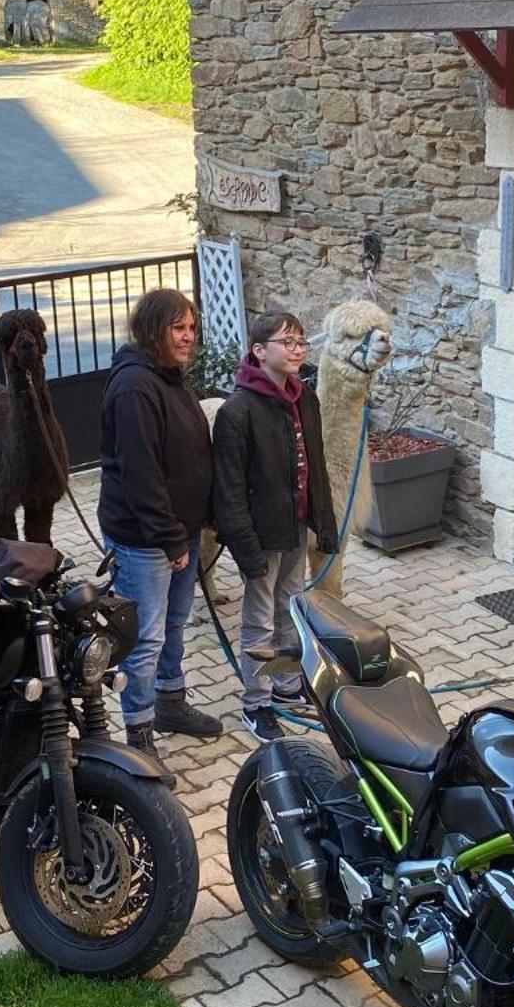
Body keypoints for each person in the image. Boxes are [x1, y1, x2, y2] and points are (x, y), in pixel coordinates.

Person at [99, 288, 224, 758]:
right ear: (153, 330)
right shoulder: (135, 387)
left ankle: (170, 702)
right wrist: (171, 537)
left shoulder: (170, 378)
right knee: (145, 636)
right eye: (178, 327)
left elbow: (191, 453)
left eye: (192, 327)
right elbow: (141, 472)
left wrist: (206, 516)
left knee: (174, 623)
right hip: (145, 539)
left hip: (178, 531)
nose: (189, 336)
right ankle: (138, 733)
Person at [211, 310, 338, 742]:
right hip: (261, 537)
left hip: (295, 527)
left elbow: (315, 465)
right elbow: (228, 491)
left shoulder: (306, 399)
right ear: (260, 351)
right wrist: (245, 550)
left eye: (301, 341)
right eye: (288, 342)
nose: (298, 349)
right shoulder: (237, 412)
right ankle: (256, 703)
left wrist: (325, 523)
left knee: (291, 610)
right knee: (259, 619)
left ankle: (285, 686)